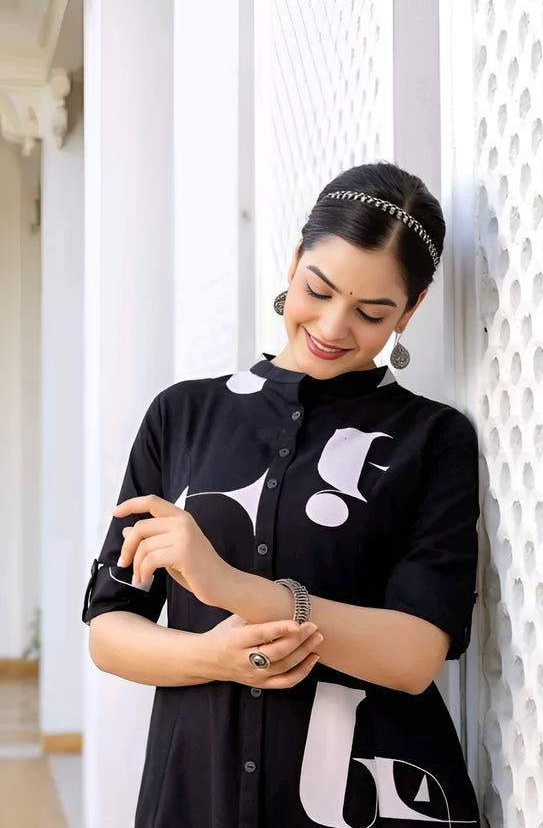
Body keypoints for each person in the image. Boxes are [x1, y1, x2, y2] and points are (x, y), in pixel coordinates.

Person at [83, 162, 480, 828]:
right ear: (294, 260)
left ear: (410, 310)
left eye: (371, 311)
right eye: (317, 288)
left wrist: (230, 586)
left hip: (367, 799)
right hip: (196, 795)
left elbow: (413, 657)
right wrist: (213, 656)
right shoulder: (181, 415)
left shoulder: (433, 440)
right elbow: (109, 629)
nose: (332, 325)